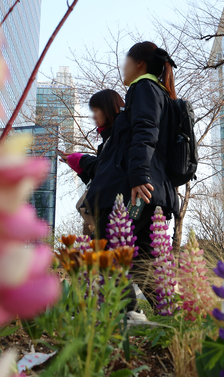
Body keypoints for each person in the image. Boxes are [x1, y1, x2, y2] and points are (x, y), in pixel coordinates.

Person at [70, 42, 179, 316]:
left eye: (126, 61)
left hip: (137, 189)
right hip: (148, 189)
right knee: (144, 256)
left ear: (139, 63)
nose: (123, 67)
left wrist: (139, 175)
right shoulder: (158, 92)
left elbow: (145, 130)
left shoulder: (143, 88)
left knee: (110, 247)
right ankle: (169, 316)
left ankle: (127, 315)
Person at [60, 89, 125, 236]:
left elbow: (106, 170)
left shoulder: (119, 136)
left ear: (108, 109)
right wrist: (79, 167)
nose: (93, 116)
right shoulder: (108, 139)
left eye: (96, 110)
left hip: (115, 208)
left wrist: (81, 159)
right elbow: (98, 179)